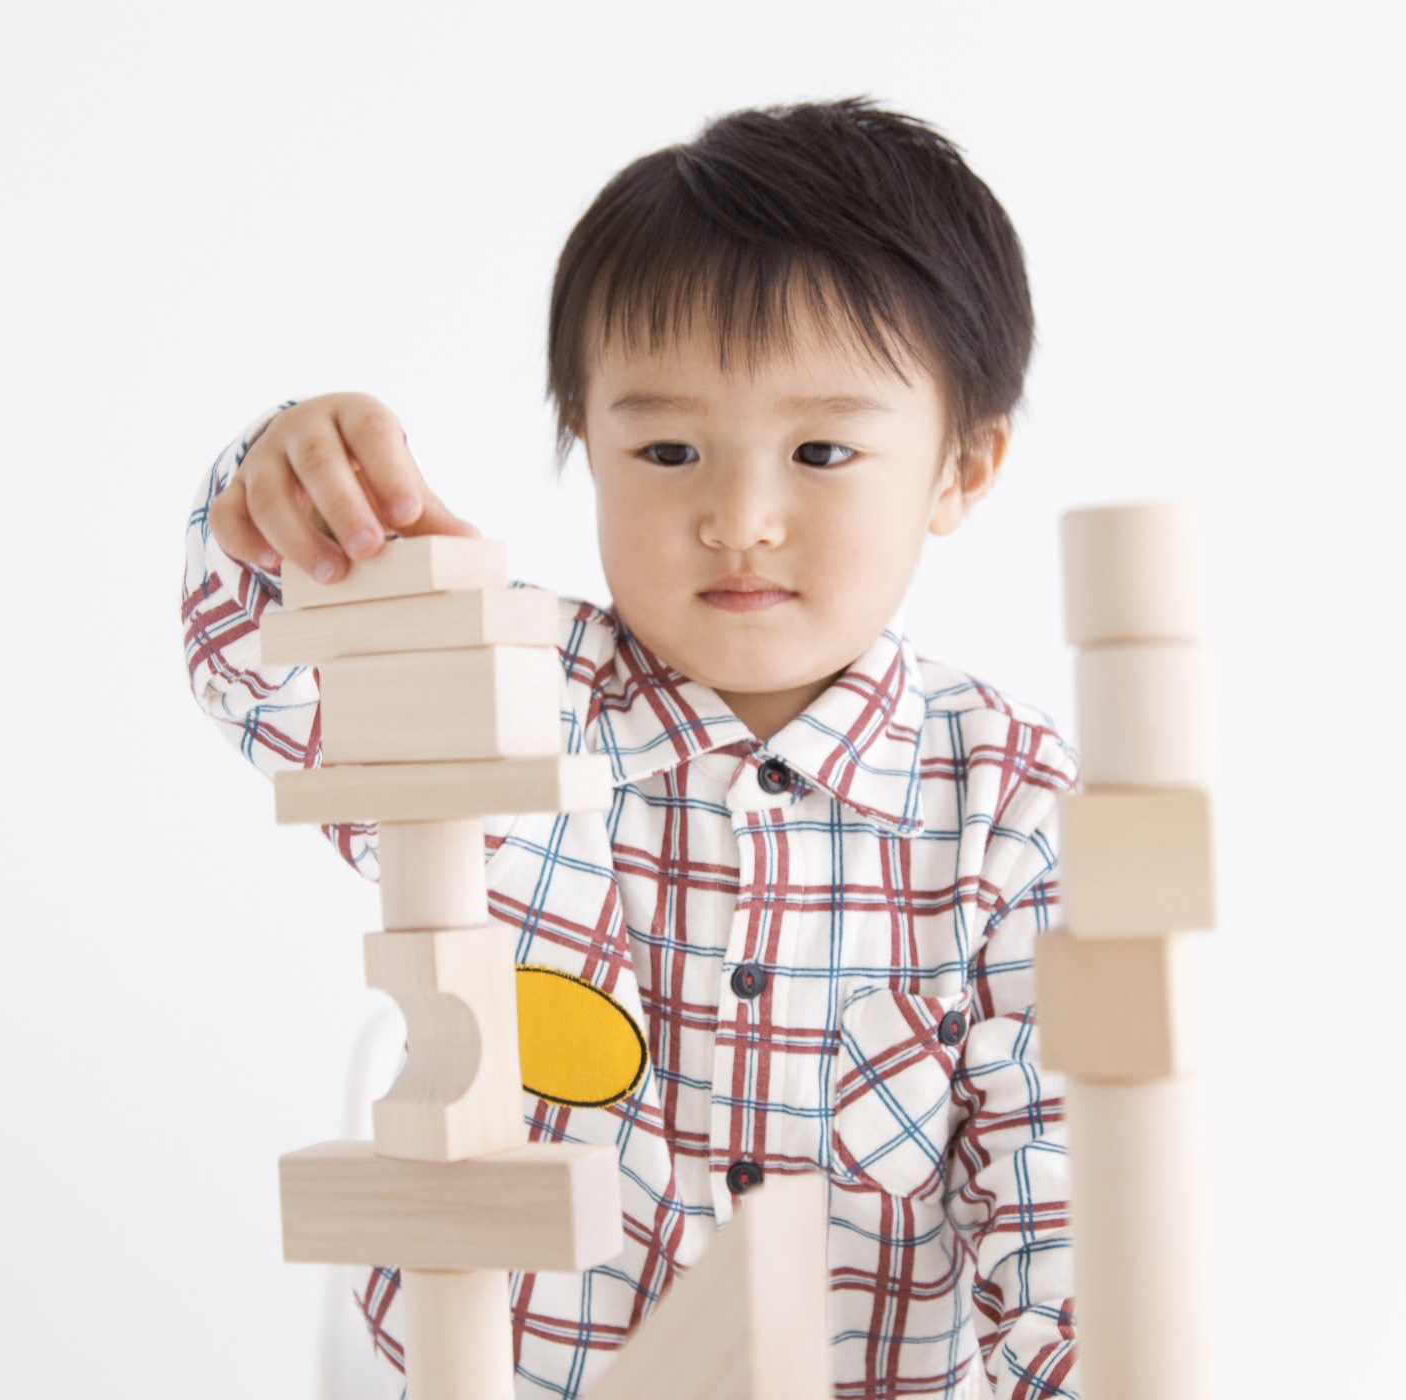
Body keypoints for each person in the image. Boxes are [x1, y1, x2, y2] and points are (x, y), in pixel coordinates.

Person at [181, 97, 1079, 1400]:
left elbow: (1052, 1193)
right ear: (585, 446)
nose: (739, 517)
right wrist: (282, 499)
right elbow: (255, 669)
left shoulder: (1009, 803)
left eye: (821, 450)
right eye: (666, 449)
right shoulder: (521, 692)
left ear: (962, 468)